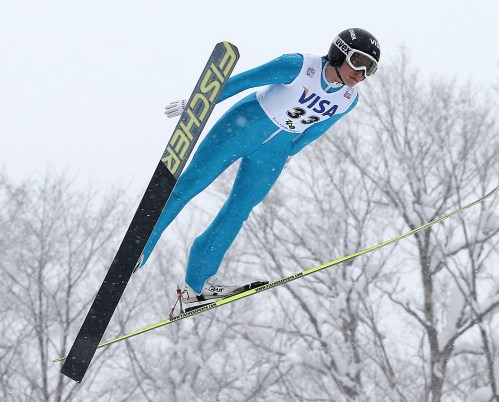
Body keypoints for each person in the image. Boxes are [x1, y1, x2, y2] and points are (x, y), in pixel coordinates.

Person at [139, 28, 381, 304]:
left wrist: (290, 153)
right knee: (191, 185)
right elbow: (244, 81)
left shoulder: (348, 100)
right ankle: (139, 249)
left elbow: (316, 130)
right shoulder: (299, 66)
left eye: (369, 69)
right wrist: (198, 103)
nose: (361, 73)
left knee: (238, 210)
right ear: (340, 52)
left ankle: (198, 283)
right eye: (359, 62)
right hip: (245, 124)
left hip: (274, 152)